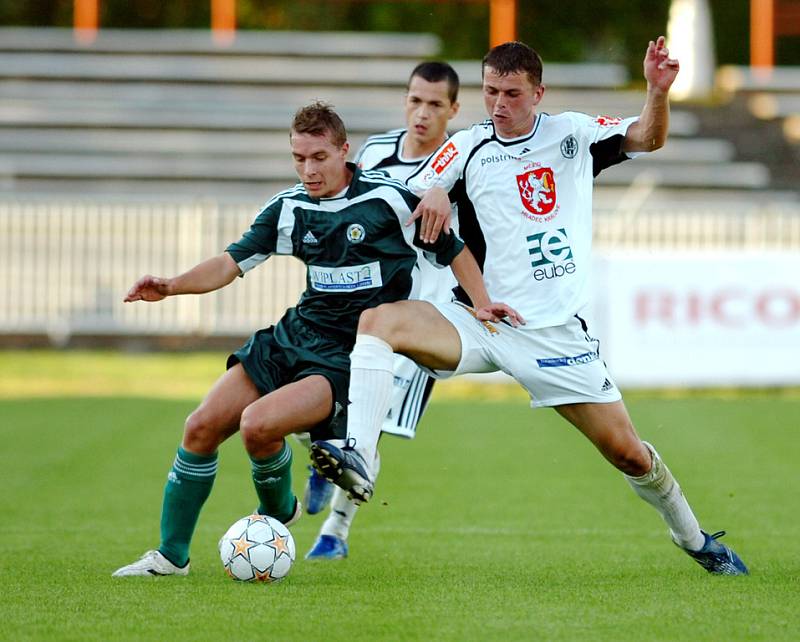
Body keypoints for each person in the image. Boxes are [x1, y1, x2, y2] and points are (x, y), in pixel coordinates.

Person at [310, 38, 749, 576]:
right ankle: (357, 456)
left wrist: (657, 91)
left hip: (551, 332)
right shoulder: (468, 144)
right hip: (476, 316)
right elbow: (418, 190)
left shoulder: (572, 134)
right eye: (491, 91)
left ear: (537, 93)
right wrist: (435, 193)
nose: (499, 104)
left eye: (512, 93)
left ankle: (697, 540)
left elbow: (647, 138)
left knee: (629, 454)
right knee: (377, 323)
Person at [112, 101, 518, 577]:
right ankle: (170, 556)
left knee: (258, 425)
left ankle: (279, 510)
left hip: (349, 355)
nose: (309, 169)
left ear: (345, 152)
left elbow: (454, 250)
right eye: (299, 158)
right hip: (292, 336)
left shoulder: (388, 201)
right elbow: (229, 262)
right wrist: (172, 285)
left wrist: (483, 301)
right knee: (200, 426)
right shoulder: (289, 208)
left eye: (319, 157)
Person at [301, 61, 462, 561]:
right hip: (366, 305)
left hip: (426, 315)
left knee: (372, 425)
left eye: (436, 104)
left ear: (454, 110)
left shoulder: (464, 164)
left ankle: (335, 531)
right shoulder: (373, 152)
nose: (423, 113)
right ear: (405, 100)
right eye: (416, 100)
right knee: (316, 387)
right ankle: (323, 448)